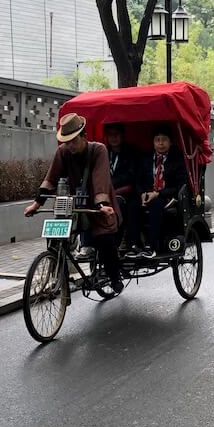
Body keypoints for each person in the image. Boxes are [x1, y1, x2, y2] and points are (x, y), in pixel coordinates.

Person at [24, 112, 123, 292]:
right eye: (66, 142)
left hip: (100, 204)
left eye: (73, 141)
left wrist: (102, 205)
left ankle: (114, 276)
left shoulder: (98, 150)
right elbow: (51, 178)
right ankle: (60, 278)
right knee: (57, 238)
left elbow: (100, 179)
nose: (70, 145)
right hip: (75, 204)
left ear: (84, 136)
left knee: (105, 239)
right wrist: (37, 204)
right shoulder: (63, 152)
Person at [139, 126, 188, 257]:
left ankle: (151, 246)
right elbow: (138, 180)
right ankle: (132, 244)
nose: (160, 143)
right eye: (157, 140)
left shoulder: (177, 159)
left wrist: (158, 194)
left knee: (155, 205)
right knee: (132, 205)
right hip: (147, 195)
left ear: (170, 142)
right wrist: (143, 193)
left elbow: (180, 185)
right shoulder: (146, 158)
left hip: (167, 196)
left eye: (164, 140)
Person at [104, 123, 141, 252]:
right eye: (110, 135)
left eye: (116, 134)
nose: (113, 138)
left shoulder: (132, 151)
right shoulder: (103, 152)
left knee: (121, 206)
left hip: (128, 192)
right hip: (106, 193)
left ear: (122, 135)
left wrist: (110, 184)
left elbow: (131, 175)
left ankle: (123, 241)